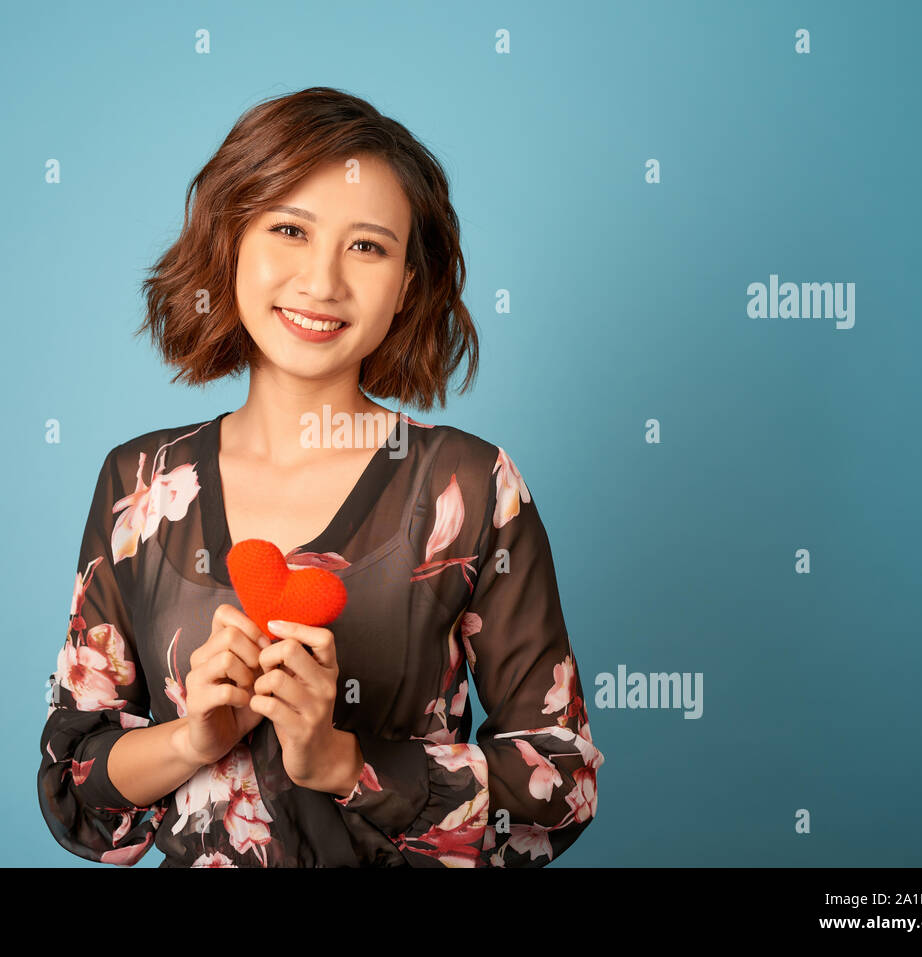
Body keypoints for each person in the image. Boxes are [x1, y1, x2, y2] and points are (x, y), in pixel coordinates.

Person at [36, 87, 604, 867]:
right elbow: (77, 784)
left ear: (407, 281)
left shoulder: (472, 485)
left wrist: (339, 758)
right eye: (290, 230)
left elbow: (562, 784)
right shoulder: (140, 481)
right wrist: (193, 737)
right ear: (232, 242)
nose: (322, 281)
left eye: (367, 246)